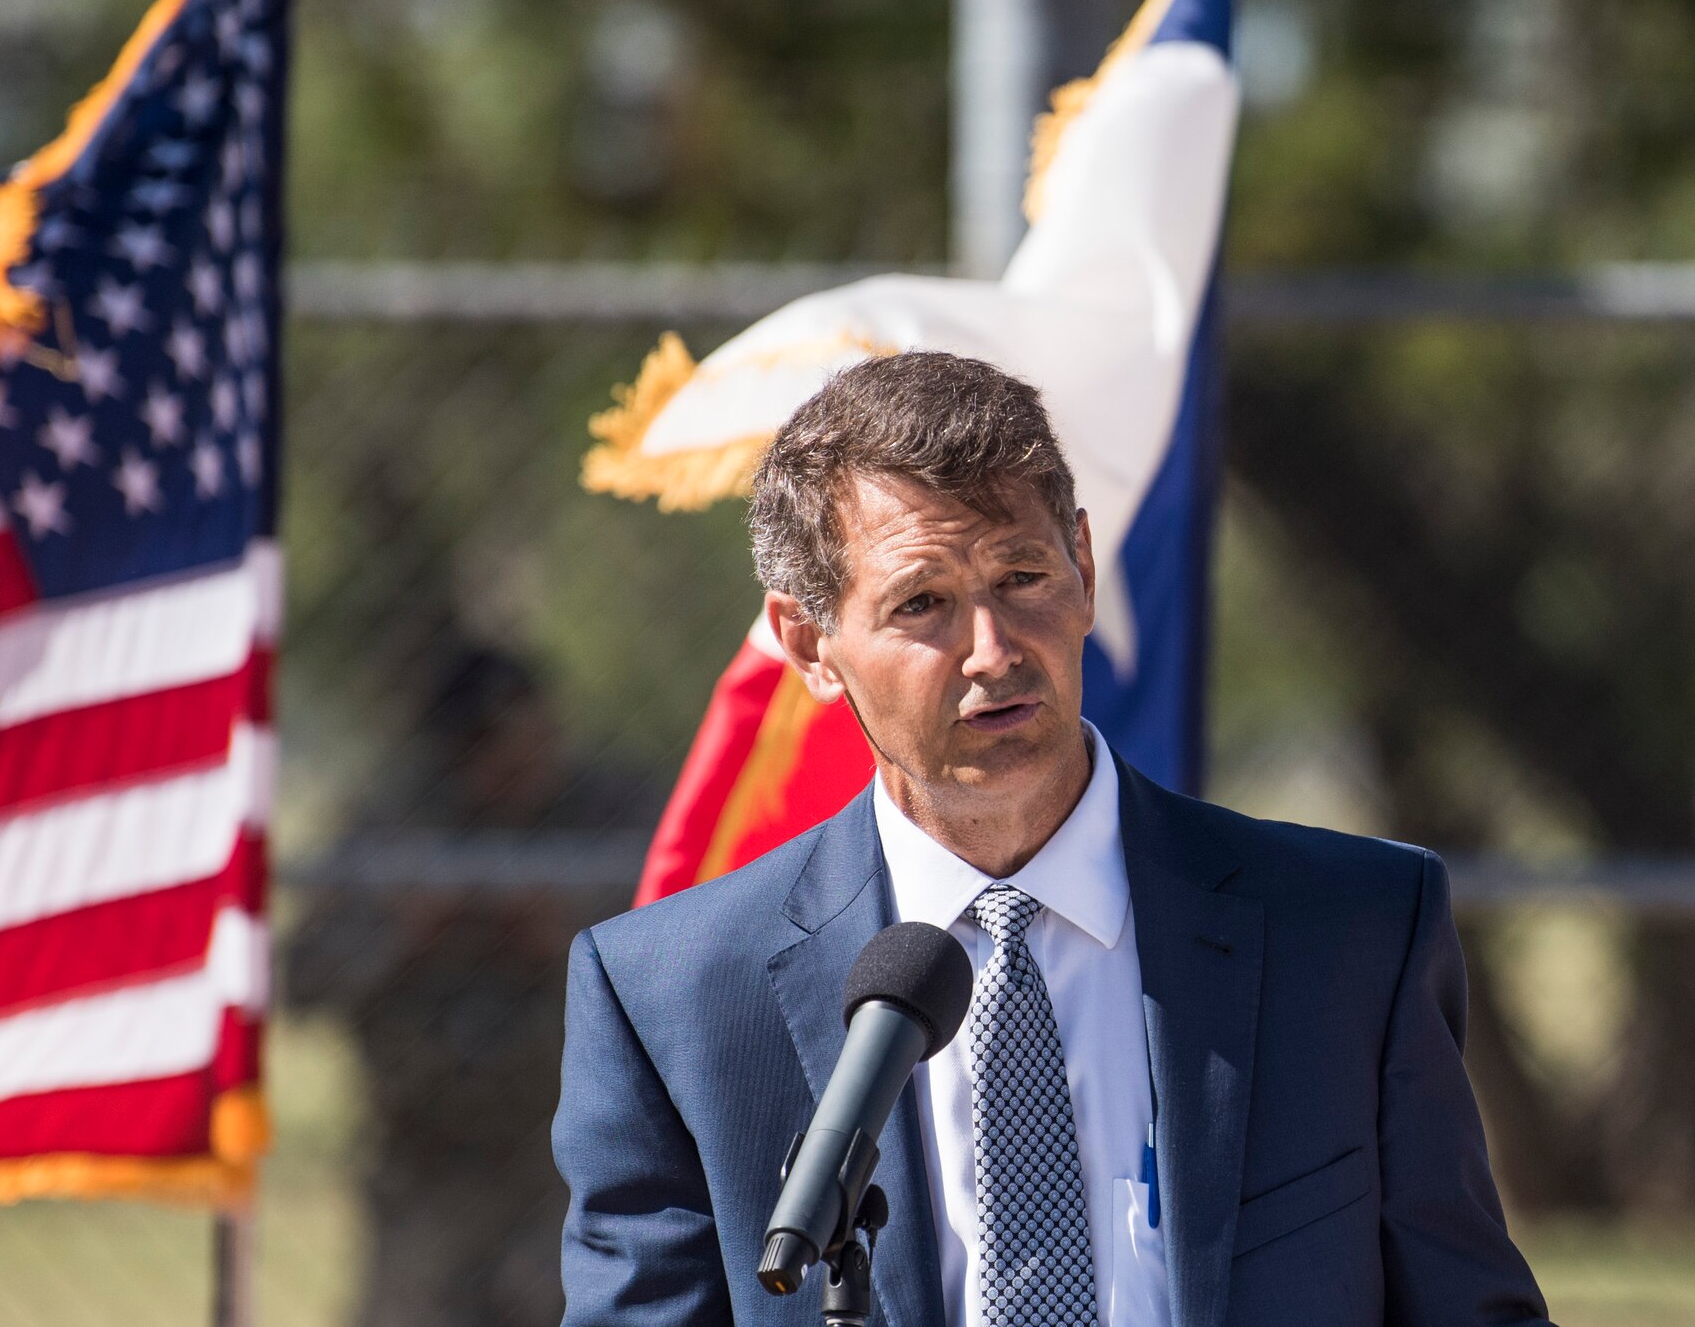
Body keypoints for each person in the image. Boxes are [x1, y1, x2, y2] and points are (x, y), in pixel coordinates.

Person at [551, 351, 1553, 1326]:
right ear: (810, 643)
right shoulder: (669, 999)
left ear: (1081, 564)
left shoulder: (1348, 936)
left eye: (1021, 575)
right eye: (922, 604)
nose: (992, 650)